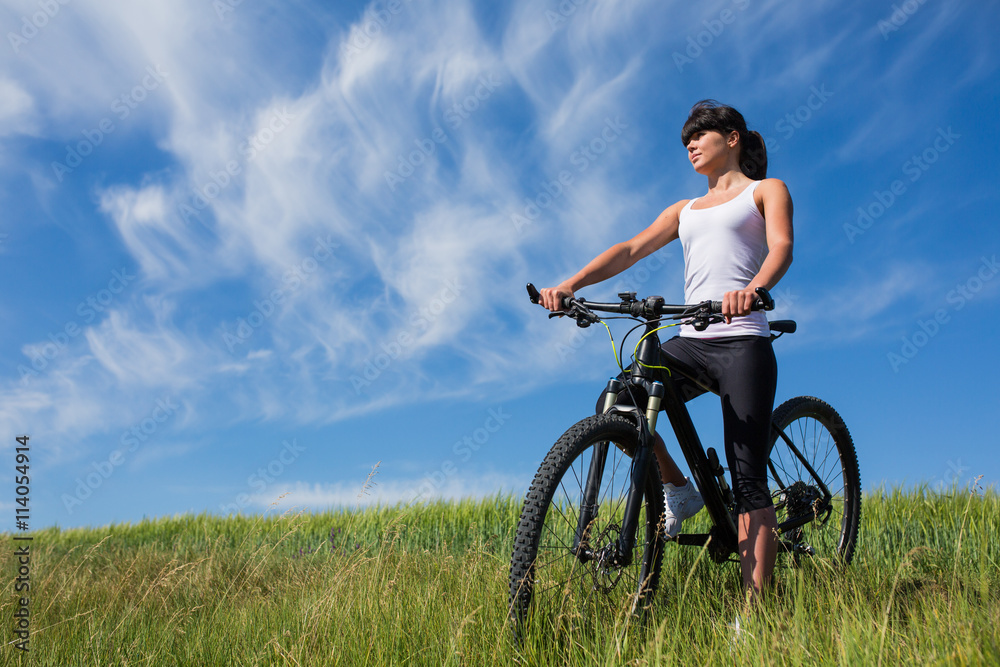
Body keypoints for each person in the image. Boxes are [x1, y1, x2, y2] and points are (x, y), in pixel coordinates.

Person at [538, 100, 793, 601]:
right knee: (622, 402)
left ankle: (755, 614)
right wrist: (570, 283)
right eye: (686, 142)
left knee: (748, 482)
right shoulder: (685, 210)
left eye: (700, 136)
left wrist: (754, 289)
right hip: (693, 341)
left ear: (733, 137)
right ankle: (679, 487)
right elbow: (630, 249)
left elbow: (781, 246)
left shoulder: (767, 191)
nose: (691, 146)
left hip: (743, 341)